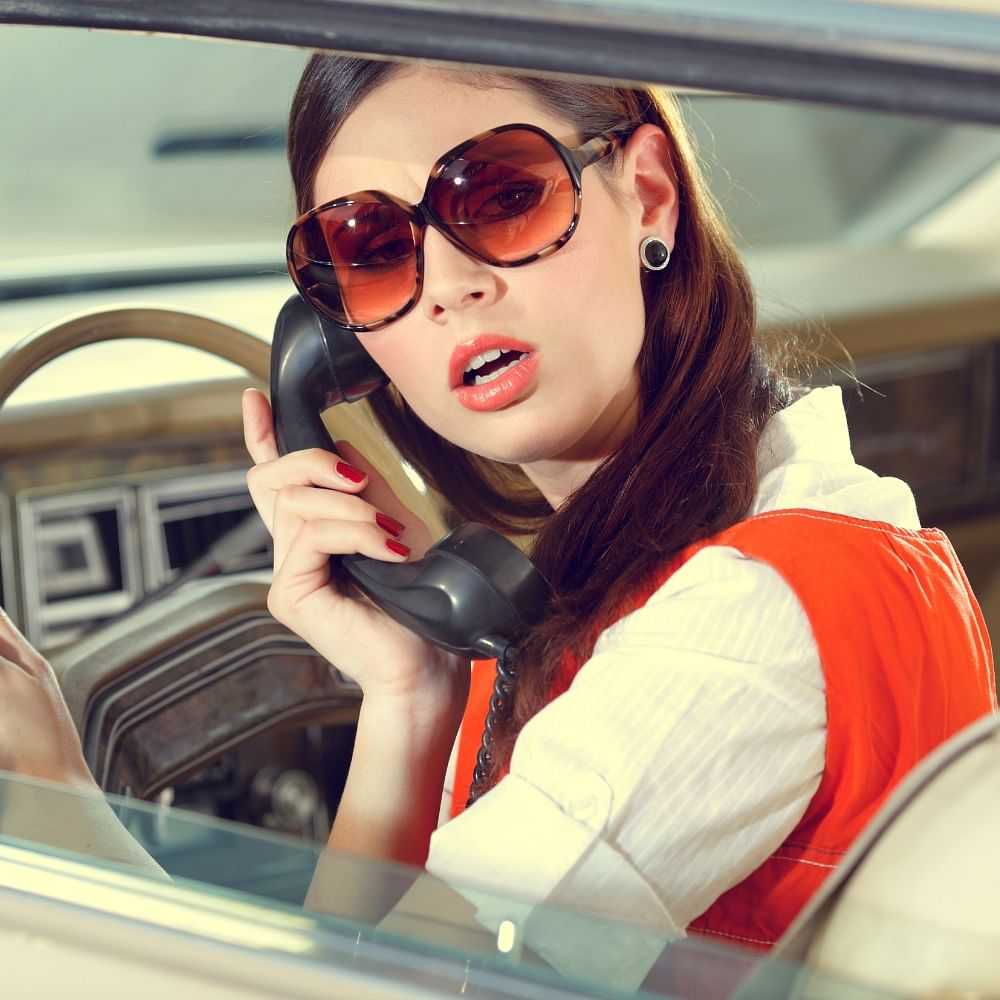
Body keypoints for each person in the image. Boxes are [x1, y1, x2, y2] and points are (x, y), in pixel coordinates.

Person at [0, 54, 994, 986]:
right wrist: (408, 695)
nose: (449, 285)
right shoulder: (638, 571)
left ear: (648, 193)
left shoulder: (741, 626)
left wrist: (53, 794)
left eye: (504, 196)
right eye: (374, 247)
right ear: (342, 337)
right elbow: (363, 967)